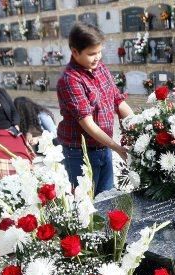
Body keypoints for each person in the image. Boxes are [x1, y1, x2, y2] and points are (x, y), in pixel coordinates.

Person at [57, 22, 133, 194]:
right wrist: (117, 148)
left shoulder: (100, 68)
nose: (97, 57)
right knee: (86, 205)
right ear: (75, 52)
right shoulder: (70, 80)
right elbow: (88, 123)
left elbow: (118, 101)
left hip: (103, 147)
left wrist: (139, 126)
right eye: (92, 54)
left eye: (99, 52)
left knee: (107, 199)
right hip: (80, 153)